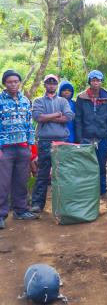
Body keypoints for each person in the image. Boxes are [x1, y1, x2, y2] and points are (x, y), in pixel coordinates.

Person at [30, 74, 75, 213]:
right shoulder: (38, 101)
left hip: (62, 140)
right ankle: (37, 204)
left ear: (56, 85)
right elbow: (38, 117)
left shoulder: (63, 101)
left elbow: (68, 117)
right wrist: (56, 115)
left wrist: (47, 117)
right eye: (48, 83)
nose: (51, 85)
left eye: (54, 83)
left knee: (63, 173)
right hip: (44, 141)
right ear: (44, 85)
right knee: (43, 173)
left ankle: (64, 204)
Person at [0, 69, 37, 229]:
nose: (13, 84)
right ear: (4, 84)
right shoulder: (0, 100)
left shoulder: (25, 101)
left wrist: (30, 147)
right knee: (3, 183)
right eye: (9, 82)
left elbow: (29, 125)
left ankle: (20, 211)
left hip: (23, 148)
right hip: (5, 149)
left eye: (16, 81)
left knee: (21, 181)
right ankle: (1, 215)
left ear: (19, 83)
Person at [75, 70, 107, 198]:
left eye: (98, 80)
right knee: (87, 166)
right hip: (86, 138)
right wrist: (80, 138)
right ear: (89, 82)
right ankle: (88, 192)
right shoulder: (82, 98)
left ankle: (103, 190)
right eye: (93, 80)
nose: (96, 83)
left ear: (101, 82)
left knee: (102, 165)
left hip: (102, 137)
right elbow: (78, 119)